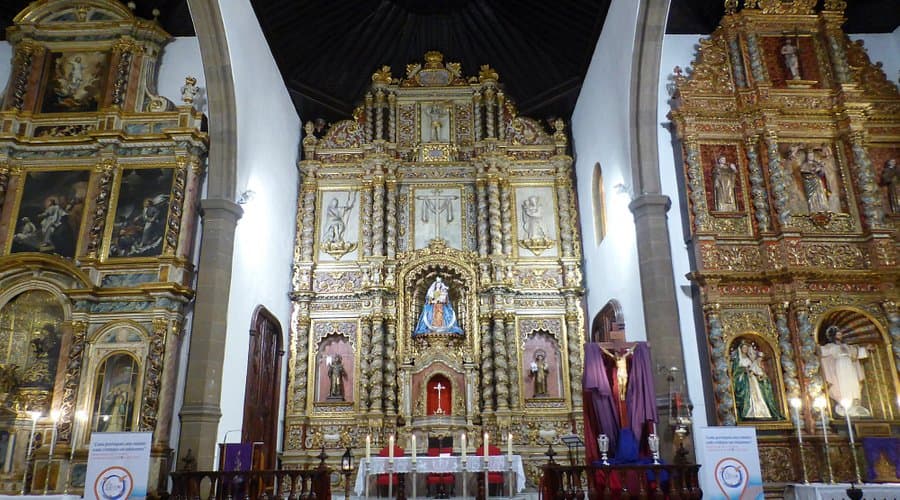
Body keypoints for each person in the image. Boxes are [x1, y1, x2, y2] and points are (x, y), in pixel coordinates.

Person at [819, 326, 870, 416]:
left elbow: (857, 352)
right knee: (843, 384)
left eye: (840, 334)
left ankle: (855, 404)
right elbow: (821, 352)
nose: (840, 336)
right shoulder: (830, 347)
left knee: (853, 383)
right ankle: (845, 403)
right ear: (833, 335)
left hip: (850, 366)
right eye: (838, 334)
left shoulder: (846, 346)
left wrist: (867, 348)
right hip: (840, 367)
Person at [731, 340, 782, 420]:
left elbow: (755, 368)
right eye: (744, 348)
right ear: (740, 349)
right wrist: (744, 370)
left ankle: (760, 412)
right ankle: (749, 413)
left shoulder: (749, 359)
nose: (745, 350)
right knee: (749, 396)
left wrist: (756, 373)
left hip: (753, 379)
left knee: (758, 395)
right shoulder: (738, 360)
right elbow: (735, 372)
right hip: (744, 380)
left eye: (746, 348)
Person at [799, 148, 829, 212]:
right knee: (812, 197)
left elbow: (821, 174)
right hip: (809, 182)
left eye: (812, 155)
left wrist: (821, 168)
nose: (811, 157)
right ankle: (813, 208)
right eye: (809, 155)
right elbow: (803, 172)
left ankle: (822, 207)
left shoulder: (816, 164)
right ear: (807, 156)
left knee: (820, 194)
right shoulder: (804, 164)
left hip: (817, 182)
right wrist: (812, 171)